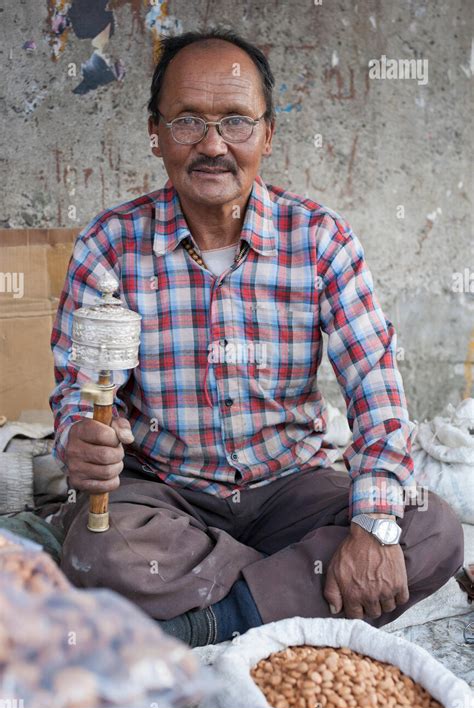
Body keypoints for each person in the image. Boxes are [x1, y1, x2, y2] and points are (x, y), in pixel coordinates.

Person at [50, 29, 463, 647]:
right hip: (170, 495)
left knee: (433, 529)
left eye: (237, 122)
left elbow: (377, 397)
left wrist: (373, 525)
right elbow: (78, 397)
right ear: (155, 133)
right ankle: (284, 597)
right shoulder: (109, 244)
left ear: (268, 134)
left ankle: (209, 619)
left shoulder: (321, 240)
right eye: (188, 120)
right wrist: (77, 438)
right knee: (98, 547)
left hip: (292, 488)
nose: (213, 145)